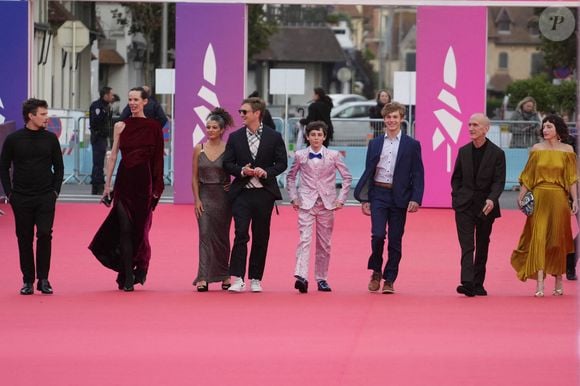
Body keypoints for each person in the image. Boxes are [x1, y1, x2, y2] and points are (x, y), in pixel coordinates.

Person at [89, 87, 165, 292]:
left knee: (140, 230)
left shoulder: (154, 127)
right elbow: (113, 155)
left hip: (144, 184)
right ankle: (128, 275)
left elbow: (158, 159)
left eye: (136, 99)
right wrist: (107, 186)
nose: (132, 103)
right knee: (124, 229)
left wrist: (158, 187)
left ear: (145, 102)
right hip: (124, 182)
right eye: (130, 99)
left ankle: (139, 267)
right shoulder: (120, 125)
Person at [354, 102, 424, 294]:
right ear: (383, 119)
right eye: (388, 117)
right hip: (378, 194)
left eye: (395, 117)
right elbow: (369, 171)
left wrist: (416, 198)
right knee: (377, 236)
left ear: (401, 118)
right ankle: (376, 271)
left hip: (400, 196)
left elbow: (418, 174)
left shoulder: (412, 145)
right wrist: (366, 199)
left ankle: (389, 279)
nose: (391, 120)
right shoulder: (375, 143)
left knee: (395, 240)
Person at [223, 97, 287, 292]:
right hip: (242, 193)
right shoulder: (235, 137)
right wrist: (242, 170)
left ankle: (256, 278)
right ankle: (238, 278)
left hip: (264, 194)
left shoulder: (273, 136)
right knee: (240, 234)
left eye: (245, 112)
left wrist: (266, 172)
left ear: (257, 114)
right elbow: (227, 163)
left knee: (261, 236)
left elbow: (282, 163)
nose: (241, 115)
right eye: (241, 111)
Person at [0, 98, 64, 295]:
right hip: (21, 197)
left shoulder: (51, 139)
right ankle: (28, 280)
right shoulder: (14, 139)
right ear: (31, 116)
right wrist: (10, 193)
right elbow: (4, 166)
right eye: (43, 114)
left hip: (46, 195)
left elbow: (59, 167)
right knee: (24, 238)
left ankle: (43, 279)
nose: (47, 118)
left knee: (45, 235)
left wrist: (55, 192)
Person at [510, 114, 578, 297]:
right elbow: (529, 175)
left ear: (558, 129)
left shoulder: (568, 150)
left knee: (557, 239)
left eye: (549, 126)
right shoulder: (537, 149)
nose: (545, 130)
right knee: (538, 237)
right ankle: (540, 284)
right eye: (544, 127)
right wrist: (522, 194)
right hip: (539, 197)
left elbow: (572, 178)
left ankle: (558, 281)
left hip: (559, 199)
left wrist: (575, 200)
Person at [286, 121, 352, 293]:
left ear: (324, 137)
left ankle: (321, 278)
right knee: (304, 240)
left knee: (324, 244)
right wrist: (293, 197)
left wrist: (341, 199)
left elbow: (347, 177)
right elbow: (291, 177)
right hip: (306, 203)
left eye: (319, 135)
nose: (316, 138)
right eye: (313, 135)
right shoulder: (300, 155)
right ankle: (301, 277)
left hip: (327, 204)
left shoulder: (334, 155)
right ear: (307, 137)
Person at [451, 113, 506, 297]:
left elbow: (499, 181)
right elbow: (456, 178)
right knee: (467, 244)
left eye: (475, 125)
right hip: (464, 205)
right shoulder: (463, 151)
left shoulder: (497, 153)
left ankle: (478, 283)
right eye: (469, 124)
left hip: (486, 206)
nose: (471, 128)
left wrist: (492, 198)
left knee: (482, 244)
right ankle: (467, 282)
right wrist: (457, 197)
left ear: (486, 128)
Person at [191, 107, 234, 292]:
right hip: (205, 197)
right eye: (207, 127)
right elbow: (193, 177)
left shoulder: (230, 149)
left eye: (214, 127)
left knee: (222, 237)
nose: (210, 130)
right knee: (205, 235)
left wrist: (232, 185)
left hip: (224, 199)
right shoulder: (198, 148)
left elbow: (237, 170)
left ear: (222, 130)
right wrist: (197, 200)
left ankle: (225, 275)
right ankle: (203, 277)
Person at [89, 86, 114, 195]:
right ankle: (97, 184)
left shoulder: (107, 106)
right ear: (105, 95)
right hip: (98, 136)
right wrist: (104, 112)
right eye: (111, 94)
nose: (112, 97)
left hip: (103, 137)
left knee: (101, 161)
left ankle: (100, 182)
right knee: (98, 162)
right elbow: (96, 121)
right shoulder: (97, 106)